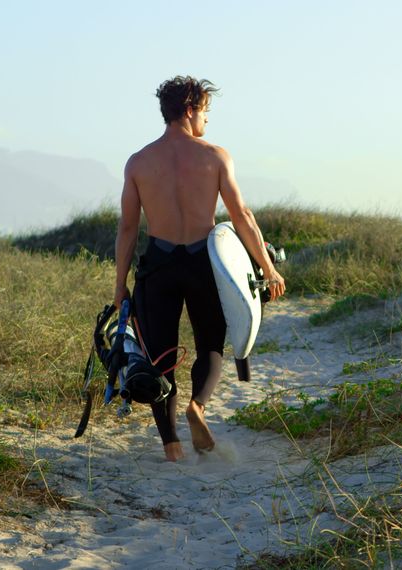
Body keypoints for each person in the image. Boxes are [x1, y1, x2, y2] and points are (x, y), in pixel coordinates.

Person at [114, 76, 285, 462]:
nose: (206, 121)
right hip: (202, 261)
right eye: (205, 112)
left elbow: (127, 228)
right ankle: (198, 408)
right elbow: (241, 216)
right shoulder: (215, 156)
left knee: (159, 355)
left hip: (157, 265)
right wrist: (268, 268)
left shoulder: (139, 162)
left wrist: (119, 285)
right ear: (190, 109)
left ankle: (172, 447)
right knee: (210, 343)